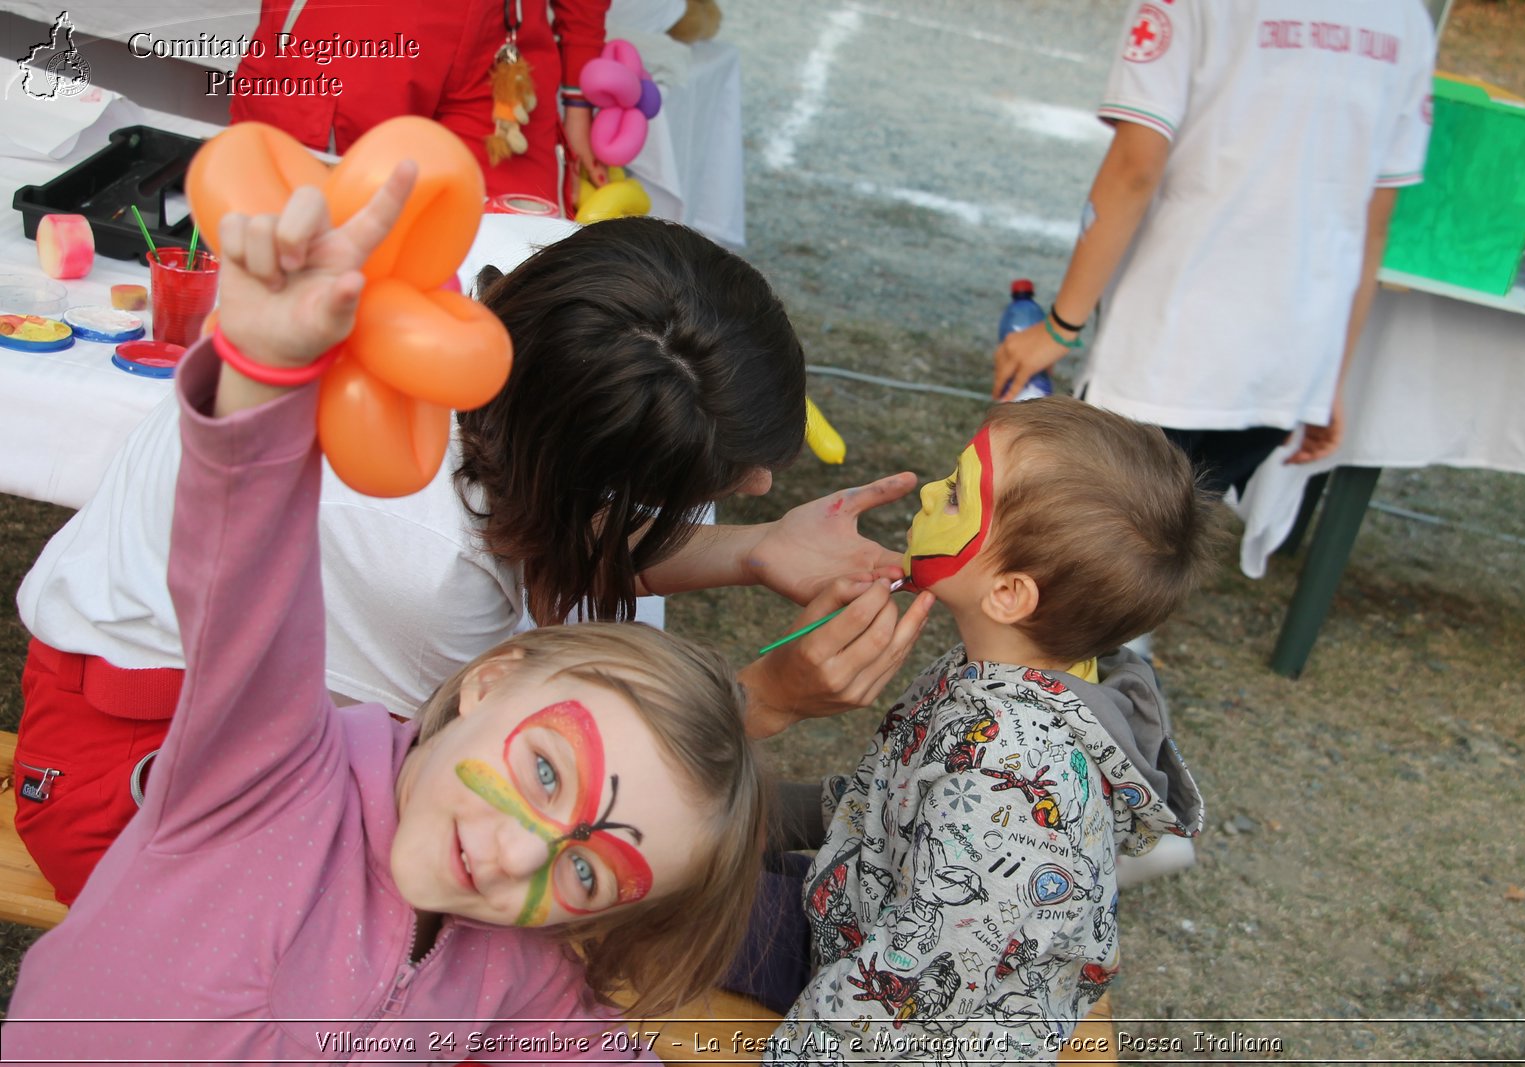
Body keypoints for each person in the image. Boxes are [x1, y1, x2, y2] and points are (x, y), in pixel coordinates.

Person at [4, 166, 765, 1061]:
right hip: (130, 729)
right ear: (487, 679)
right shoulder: (266, 768)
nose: (522, 855)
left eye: (588, 870)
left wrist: (758, 547)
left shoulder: (520, 971)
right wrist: (262, 376)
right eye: (549, 774)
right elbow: (245, 575)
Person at [14, 216, 929, 906]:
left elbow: (556, 524)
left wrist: (756, 551)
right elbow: (516, 775)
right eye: (724, 483)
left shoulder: (532, 292)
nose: (764, 481)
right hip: (131, 789)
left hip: (254, 718)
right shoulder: (421, 558)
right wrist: (759, 700)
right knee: (531, 907)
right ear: (582, 474)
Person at [741, 397, 1215, 1060]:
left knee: (658, 906)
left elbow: (903, 991)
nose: (933, 489)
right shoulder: (996, 668)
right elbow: (902, 802)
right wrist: (767, 811)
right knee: (689, 849)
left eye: (959, 493)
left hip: (909, 1015)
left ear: (1009, 592)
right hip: (864, 906)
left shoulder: (1010, 783)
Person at [992, 0, 1436, 496]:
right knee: (1172, 546)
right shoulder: (1407, 19)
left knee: (1092, 550)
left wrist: (1060, 326)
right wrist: (1329, 376)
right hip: (1289, 361)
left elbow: (1135, 168)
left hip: (1167, 354)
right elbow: (1373, 223)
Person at [230, 0, 613, 207]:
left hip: (503, 41)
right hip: (364, 25)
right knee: (311, 242)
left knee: (519, 265)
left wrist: (579, 97)